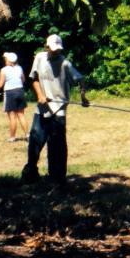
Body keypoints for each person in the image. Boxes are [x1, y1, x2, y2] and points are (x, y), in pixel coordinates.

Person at [21, 34, 89, 187]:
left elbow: (81, 79)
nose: (56, 52)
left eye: (58, 49)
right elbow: (34, 78)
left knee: (57, 146)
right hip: (42, 108)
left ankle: (57, 179)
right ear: (47, 47)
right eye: (53, 49)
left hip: (59, 110)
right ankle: (30, 173)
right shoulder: (39, 58)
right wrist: (40, 94)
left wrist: (83, 97)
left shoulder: (65, 64)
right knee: (35, 141)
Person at [0, 51, 28, 142]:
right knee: (21, 115)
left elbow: (0, 85)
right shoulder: (19, 68)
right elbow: (23, 80)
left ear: (9, 60)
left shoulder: (3, 70)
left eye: (6, 59)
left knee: (12, 117)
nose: (5, 60)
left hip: (10, 93)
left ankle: (12, 137)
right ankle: (27, 135)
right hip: (20, 91)